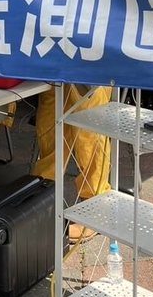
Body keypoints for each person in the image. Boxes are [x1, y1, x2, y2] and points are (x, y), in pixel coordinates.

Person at [31, 84, 111, 242]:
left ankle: (96, 205)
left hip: (91, 64)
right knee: (50, 114)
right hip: (56, 62)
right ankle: (44, 194)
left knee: (89, 122)